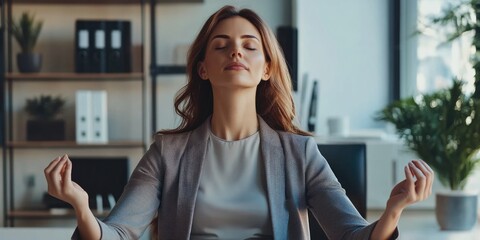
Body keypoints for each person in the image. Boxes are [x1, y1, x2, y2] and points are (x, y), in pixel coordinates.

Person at [44, 5, 434, 240]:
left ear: (266, 68)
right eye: (221, 45)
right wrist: (81, 205)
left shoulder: (300, 153)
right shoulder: (168, 152)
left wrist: (393, 211)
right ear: (203, 68)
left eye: (250, 46)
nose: (236, 51)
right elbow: (120, 233)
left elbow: (351, 235)